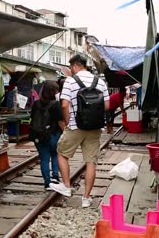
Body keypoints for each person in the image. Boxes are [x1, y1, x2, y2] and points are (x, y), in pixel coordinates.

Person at [49, 55, 109, 208]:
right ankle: (86, 198)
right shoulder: (100, 82)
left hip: (75, 126)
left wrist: (68, 121)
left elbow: (64, 105)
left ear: (75, 66)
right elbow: (107, 106)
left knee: (62, 154)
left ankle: (67, 187)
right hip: (95, 128)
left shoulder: (70, 81)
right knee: (91, 162)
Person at [30, 81, 66, 190]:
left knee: (44, 159)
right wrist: (66, 133)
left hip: (38, 135)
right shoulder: (56, 104)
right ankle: (55, 176)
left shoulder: (36, 103)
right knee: (55, 155)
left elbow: (32, 118)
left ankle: (47, 182)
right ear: (53, 92)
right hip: (53, 135)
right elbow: (61, 121)